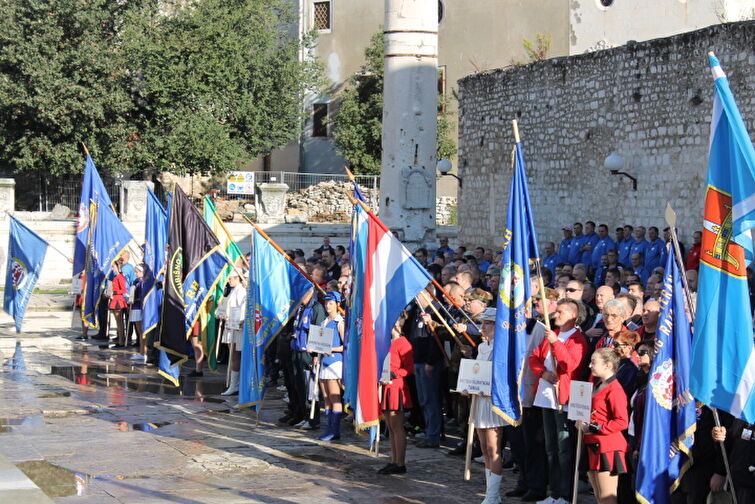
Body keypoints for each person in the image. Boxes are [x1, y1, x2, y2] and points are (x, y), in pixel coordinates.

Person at [529, 298, 588, 504]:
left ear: (573, 316)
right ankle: (554, 492)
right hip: (546, 397)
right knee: (551, 448)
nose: (555, 315)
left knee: (565, 449)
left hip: (564, 400)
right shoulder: (551, 335)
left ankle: (565, 493)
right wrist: (543, 373)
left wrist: (556, 342)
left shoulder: (577, 339)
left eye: (560, 312)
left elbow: (570, 365)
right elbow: (534, 358)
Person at [461, 307, 507, 504]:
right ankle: (491, 493)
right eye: (483, 323)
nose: (483, 327)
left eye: (488, 323)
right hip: (479, 400)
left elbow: (503, 377)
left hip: (492, 402)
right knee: (484, 448)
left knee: (493, 447)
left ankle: (493, 495)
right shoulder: (482, 347)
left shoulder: (501, 349)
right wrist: (467, 386)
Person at [579, 348, 629, 504]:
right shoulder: (598, 384)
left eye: (594, 362)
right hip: (592, 444)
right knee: (599, 495)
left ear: (607, 365)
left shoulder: (615, 389)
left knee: (607, 497)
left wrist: (592, 427)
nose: (590, 366)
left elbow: (621, 421)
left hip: (607, 446)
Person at [378, 311, 414, 475]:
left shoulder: (403, 343)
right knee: (390, 427)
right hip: (386, 385)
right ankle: (393, 460)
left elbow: (409, 368)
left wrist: (395, 374)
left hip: (396, 387)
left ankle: (400, 462)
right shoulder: (388, 342)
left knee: (397, 426)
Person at [316, 291, 345, 441]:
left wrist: (330, 349)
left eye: (331, 303)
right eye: (326, 303)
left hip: (335, 362)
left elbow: (344, 346)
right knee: (326, 398)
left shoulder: (340, 322)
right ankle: (328, 427)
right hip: (323, 362)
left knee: (335, 397)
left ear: (337, 305)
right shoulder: (324, 322)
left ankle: (335, 429)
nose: (328, 306)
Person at [217, 271, 246, 395]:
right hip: (229, 326)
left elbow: (243, 309)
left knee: (235, 356)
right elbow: (223, 307)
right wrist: (221, 314)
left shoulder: (242, 291)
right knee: (232, 355)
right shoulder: (231, 291)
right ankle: (234, 384)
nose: (229, 281)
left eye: (231, 278)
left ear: (238, 278)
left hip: (237, 328)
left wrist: (238, 319)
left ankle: (235, 385)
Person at [129, 265, 147, 362]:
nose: (136, 273)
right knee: (139, 332)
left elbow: (141, 296)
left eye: (137, 271)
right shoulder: (137, 282)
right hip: (136, 307)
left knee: (141, 331)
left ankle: (143, 352)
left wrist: (133, 299)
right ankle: (141, 351)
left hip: (139, 307)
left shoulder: (141, 283)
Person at [108, 262, 129, 348]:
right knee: (118, 323)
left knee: (119, 322)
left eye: (113, 267)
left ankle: (121, 341)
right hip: (115, 299)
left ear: (118, 267)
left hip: (118, 300)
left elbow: (123, 290)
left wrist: (114, 292)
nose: (112, 268)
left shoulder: (120, 277)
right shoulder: (116, 277)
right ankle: (120, 340)